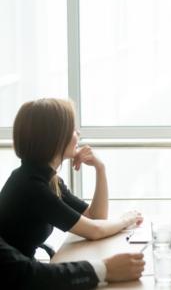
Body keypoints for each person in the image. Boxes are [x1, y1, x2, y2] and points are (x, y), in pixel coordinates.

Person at [0, 98, 143, 258]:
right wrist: (126, 220)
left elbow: (97, 218)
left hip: (21, 272)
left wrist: (100, 169)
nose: (78, 134)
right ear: (54, 138)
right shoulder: (32, 186)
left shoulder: (45, 178)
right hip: (11, 278)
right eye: (73, 129)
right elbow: (95, 231)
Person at [0, 236, 144, 290]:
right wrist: (105, 269)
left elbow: (95, 215)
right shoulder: (31, 182)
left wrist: (100, 169)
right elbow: (25, 275)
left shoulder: (51, 181)